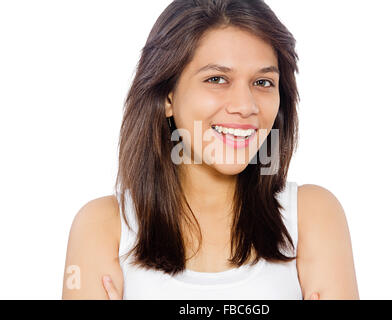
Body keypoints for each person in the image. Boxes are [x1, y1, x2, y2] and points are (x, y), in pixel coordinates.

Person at [62, 0, 359, 300]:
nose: (245, 106)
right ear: (168, 95)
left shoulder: (312, 217)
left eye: (263, 82)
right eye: (217, 79)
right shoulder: (103, 227)